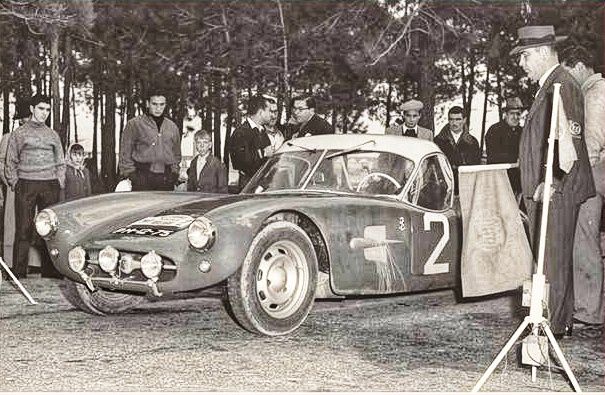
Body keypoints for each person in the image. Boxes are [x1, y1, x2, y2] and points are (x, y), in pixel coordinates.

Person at [511, 25, 595, 338]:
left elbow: (568, 146)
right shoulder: (549, 85)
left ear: (546, 52)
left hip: (556, 190)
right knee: (549, 259)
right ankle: (558, 324)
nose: (522, 64)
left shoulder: (564, 85)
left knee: (552, 261)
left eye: (526, 56)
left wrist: (554, 184)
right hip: (544, 189)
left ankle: (551, 330)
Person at [560, 45, 605, 330]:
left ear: (577, 67)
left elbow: (591, 144)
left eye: (567, 72)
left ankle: (588, 310)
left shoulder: (595, 94)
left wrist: (575, 180)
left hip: (594, 172)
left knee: (583, 238)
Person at [5, 94, 65, 279]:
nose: (44, 113)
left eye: (47, 110)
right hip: (26, 183)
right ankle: (19, 271)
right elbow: (10, 161)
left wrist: (59, 181)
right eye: (41, 109)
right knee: (23, 228)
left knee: (49, 229)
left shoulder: (52, 134)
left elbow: (60, 161)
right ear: (32, 109)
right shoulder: (19, 133)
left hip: (49, 185)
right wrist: (15, 182)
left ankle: (50, 270)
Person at [119, 89, 181, 191]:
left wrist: (174, 174)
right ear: (148, 103)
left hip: (165, 178)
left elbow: (176, 154)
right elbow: (125, 153)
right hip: (142, 177)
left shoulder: (172, 127)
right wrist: (132, 175)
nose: (158, 108)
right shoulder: (134, 124)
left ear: (165, 105)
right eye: (154, 104)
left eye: (162, 104)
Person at [0, 99, 30, 258]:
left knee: (32, 223)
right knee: (12, 224)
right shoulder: (8, 138)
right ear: (19, 120)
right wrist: (12, 182)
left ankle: (32, 262)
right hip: (16, 187)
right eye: (25, 117)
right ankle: (10, 261)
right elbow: (1, 163)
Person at [229, 95, 273, 190]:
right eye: (269, 111)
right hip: (249, 185)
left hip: (263, 184)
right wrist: (266, 156)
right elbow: (242, 164)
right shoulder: (241, 133)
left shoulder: (262, 131)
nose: (272, 115)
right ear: (261, 112)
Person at [434, 106, 481, 193]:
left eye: (458, 119)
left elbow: (476, 168)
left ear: (464, 120)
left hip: (466, 187)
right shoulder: (438, 140)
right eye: (451, 119)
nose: (454, 123)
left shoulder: (473, 142)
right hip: (444, 187)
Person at [485, 97, 524, 194]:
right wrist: (516, 158)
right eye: (512, 113)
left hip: (517, 183)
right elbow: (493, 157)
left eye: (518, 114)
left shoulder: (522, 132)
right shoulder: (494, 130)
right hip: (499, 181)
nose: (515, 117)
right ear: (505, 114)